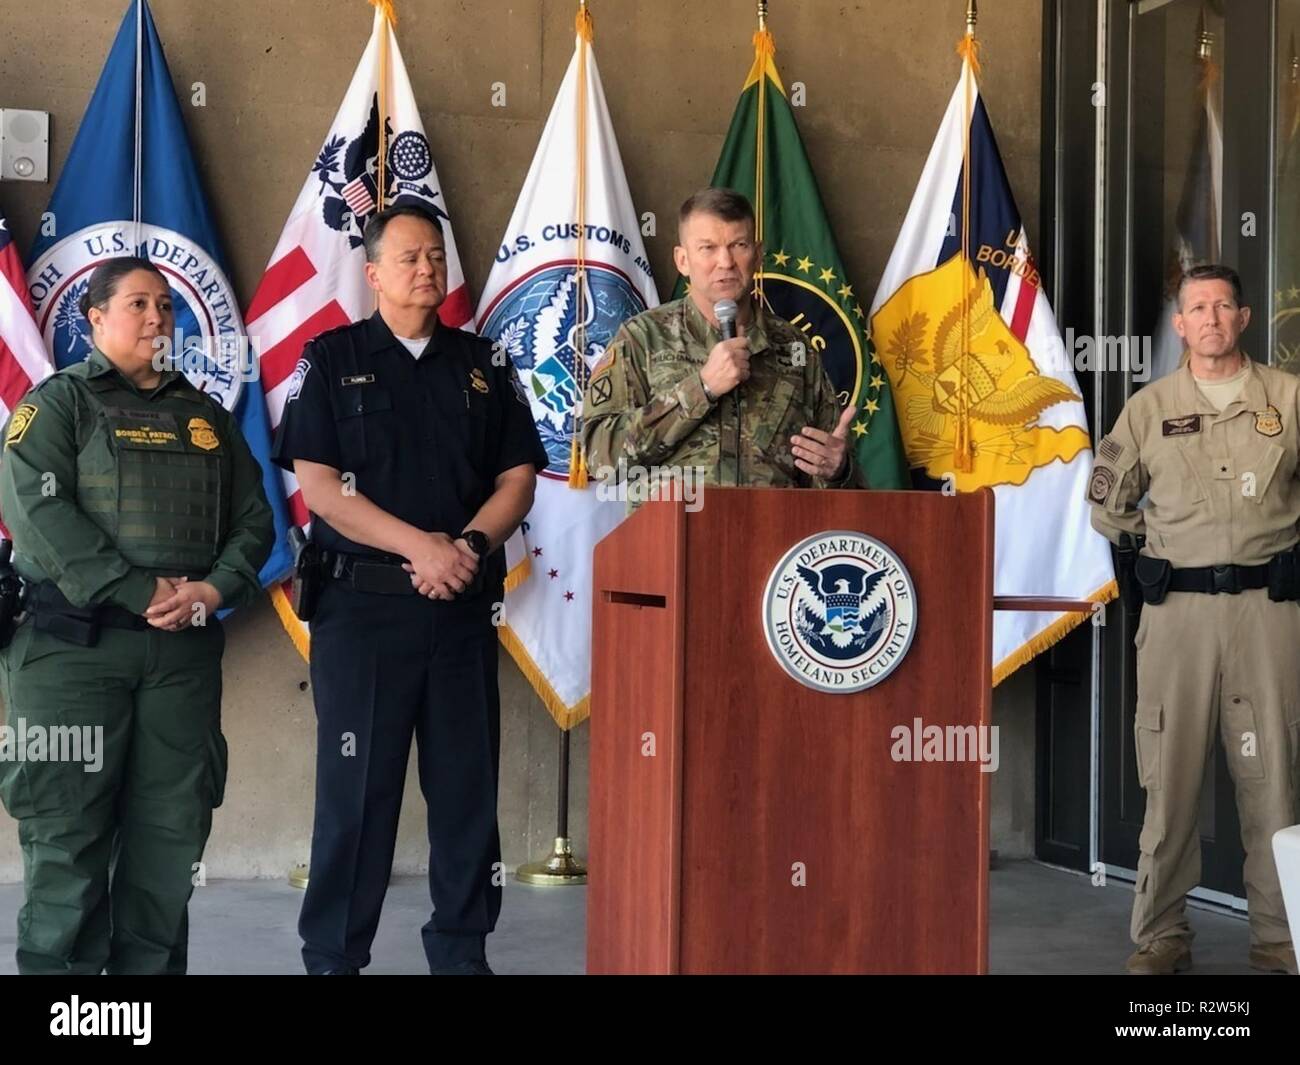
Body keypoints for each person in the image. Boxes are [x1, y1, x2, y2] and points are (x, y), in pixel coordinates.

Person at [272, 202, 547, 975]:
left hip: (459, 607)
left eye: (436, 257)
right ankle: (333, 956)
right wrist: (418, 547)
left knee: (467, 796)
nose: (427, 269)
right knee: (356, 796)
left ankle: (462, 954)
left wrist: (463, 546)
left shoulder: (484, 363)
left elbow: (518, 478)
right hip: (364, 614)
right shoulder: (330, 358)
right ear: (373, 273)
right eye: (409, 258)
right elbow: (322, 488)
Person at [0, 256, 274, 974]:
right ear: (95, 319)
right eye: (140, 305)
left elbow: (253, 519)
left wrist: (212, 591)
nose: (158, 318)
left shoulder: (205, 416)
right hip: (72, 653)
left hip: (178, 657)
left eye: (167, 306)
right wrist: (136, 590)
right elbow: (37, 512)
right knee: (68, 842)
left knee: (169, 839)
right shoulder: (57, 404)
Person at [1088, 263, 1299, 976]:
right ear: (1179, 324)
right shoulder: (1148, 409)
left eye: (1223, 306)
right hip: (1176, 617)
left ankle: (1279, 937)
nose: (1209, 317)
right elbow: (1107, 505)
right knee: (1169, 779)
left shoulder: (1291, 400)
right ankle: (1161, 936)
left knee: (1274, 775)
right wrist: (1159, 553)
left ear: (1244, 318)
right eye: (1195, 307)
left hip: (1269, 614)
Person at [582, 186, 859, 506]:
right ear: (683, 260)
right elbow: (600, 457)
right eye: (708, 248)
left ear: (757, 255)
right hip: (672, 543)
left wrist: (840, 470)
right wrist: (701, 388)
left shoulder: (795, 348)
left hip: (775, 541)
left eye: (738, 245)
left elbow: (834, 479)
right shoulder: (643, 337)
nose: (725, 261)